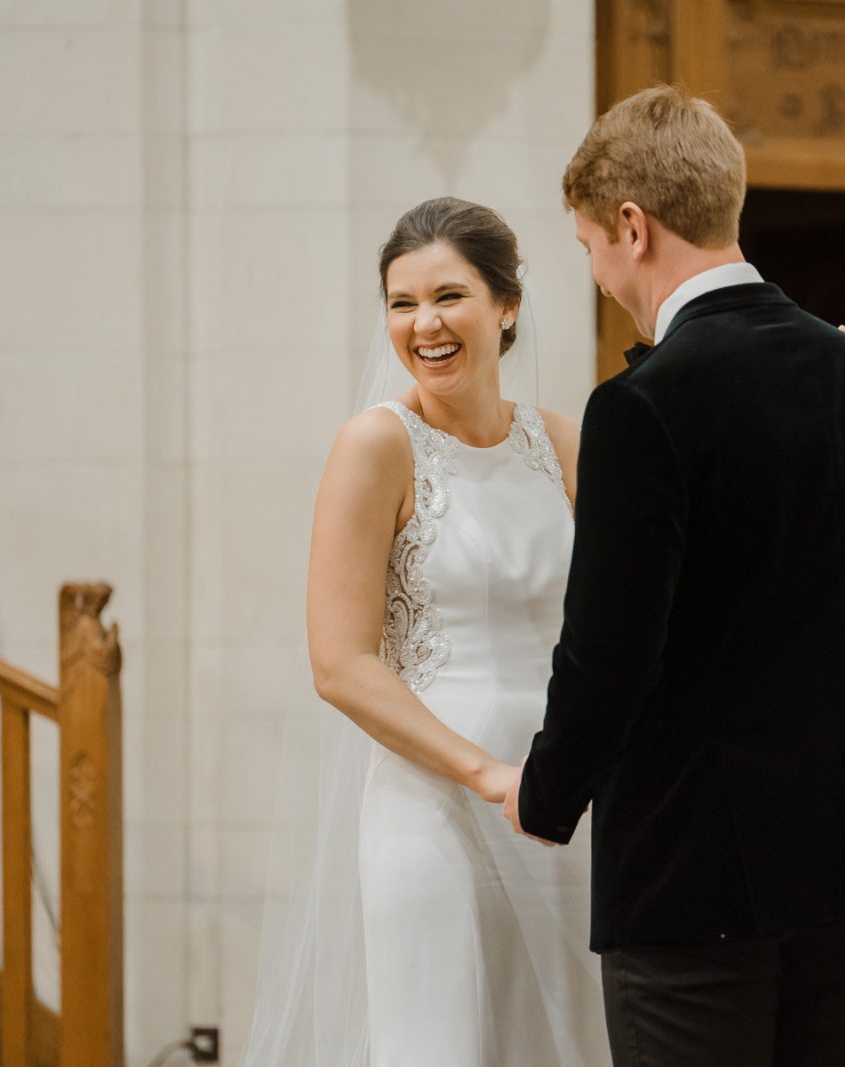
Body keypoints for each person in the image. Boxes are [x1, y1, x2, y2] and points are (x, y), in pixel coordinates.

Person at [500, 84, 845, 1067]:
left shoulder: (641, 404)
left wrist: (546, 794)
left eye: (588, 247)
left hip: (694, 869)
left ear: (633, 226)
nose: (598, 276)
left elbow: (610, 655)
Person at [243, 197, 611, 1065]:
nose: (425, 324)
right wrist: (486, 772)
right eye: (402, 303)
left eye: (449, 296)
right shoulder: (377, 445)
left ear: (507, 305)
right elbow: (339, 663)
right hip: (433, 807)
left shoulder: (567, 443)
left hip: (563, 802)